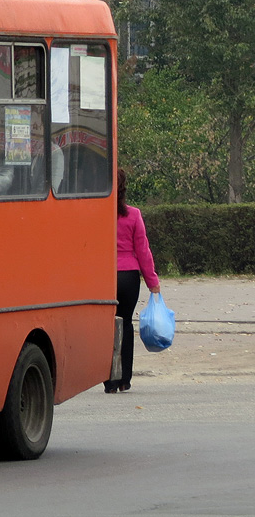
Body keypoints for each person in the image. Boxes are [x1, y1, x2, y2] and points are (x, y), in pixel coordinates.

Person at [106, 168, 160, 393]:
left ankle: (108, 380)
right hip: (128, 277)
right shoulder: (134, 215)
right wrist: (152, 282)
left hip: (104, 276)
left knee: (107, 326)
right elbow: (143, 251)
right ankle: (124, 379)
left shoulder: (96, 215)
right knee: (125, 324)